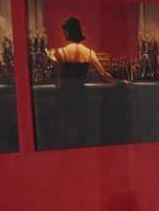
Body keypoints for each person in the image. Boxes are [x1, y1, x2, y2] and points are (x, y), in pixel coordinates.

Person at [44, 17, 113, 146]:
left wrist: (50, 58)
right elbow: (104, 75)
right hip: (82, 96)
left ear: (68, 32)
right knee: (80, 129)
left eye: (65, 31)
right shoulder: (90, 52)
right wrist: (115, 82)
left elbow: (55, 76)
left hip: (65, 96)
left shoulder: (61, 52)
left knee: (65, 130)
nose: (64, 34)